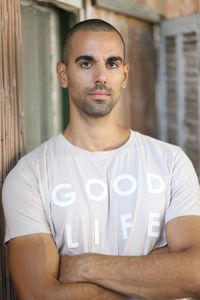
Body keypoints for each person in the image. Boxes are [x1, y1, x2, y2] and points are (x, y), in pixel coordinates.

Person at [2, 18, 200, 300]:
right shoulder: (29, 177)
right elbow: (39, 295)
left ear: (125, 74)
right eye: (86, 63)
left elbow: (194, 274)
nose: (101, 77)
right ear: (62, 74)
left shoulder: (171, 162)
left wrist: (84, 266)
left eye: (112, 63)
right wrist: (156, 275)